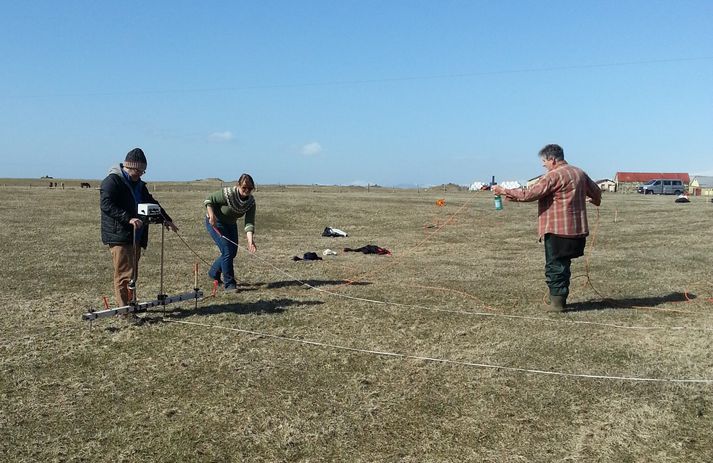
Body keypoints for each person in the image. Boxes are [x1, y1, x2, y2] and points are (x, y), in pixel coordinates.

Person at [491, 144, 601, 311]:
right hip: (577, 231)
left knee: (555, 266)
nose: (543, 165)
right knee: (564, 264)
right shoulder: (579, 173)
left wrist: (503, 190)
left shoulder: (553, 175)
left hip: (557, 230)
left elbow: (529, 194)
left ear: (552, 159)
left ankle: (557, 304)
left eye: (544, 161)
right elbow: (597, 193)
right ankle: (559, 299)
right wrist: (593, 200)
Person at [100, 148, 178, 307]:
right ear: (129, 167)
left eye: (143, 171)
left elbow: (151, 202)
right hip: (120, 234)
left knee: (133, 274)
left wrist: (166, 219)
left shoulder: (140, 185)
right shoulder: (112, 181)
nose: (140, 174)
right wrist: (128, 218)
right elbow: (106, 205)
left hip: (137, 234)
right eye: (138, 171)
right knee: (124, 274)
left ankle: (132, 303)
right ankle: (124, 310)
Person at [204, 174, 257, 292]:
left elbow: (249, 223)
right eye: (244, 188)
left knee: (232, 252)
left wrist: (250, 241)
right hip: (215, 223)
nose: (246, 191)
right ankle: (230, 284)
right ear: (238, 186)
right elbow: (209, 200)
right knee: (227, 251)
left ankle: (213, 272)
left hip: (231, 224)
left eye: (250, 188)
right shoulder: (228, 194)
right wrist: (212, 216)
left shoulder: (251, 202)